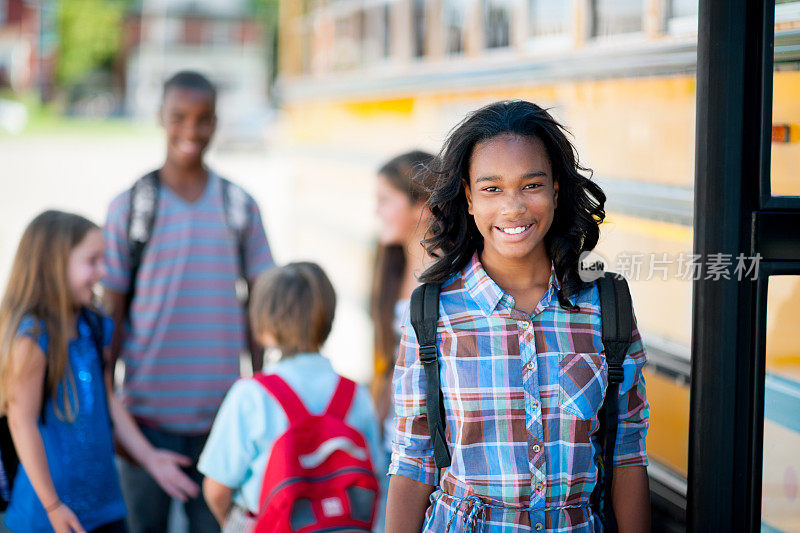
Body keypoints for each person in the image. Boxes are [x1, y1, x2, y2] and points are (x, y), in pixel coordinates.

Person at [385, 101, 650, 532]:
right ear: (468, 197)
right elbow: (413, 458)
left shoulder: (606, 307)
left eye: (531, 185)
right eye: (492, 189)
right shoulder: (433, 313)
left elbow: (627, 453)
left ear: (557, 190)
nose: (514, 208)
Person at [102, 71, 273, 533]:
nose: (191, 131)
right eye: (179, 117)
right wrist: (107, 399)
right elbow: (111, 314)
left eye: (203, 119)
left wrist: (260, 390)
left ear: (216, 122)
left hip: (223, 418)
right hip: (144, 419)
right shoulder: (131, 206)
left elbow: (261, 309)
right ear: (161, 116)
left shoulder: (240, 206)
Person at [0, 210, 198, 533]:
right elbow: (22, 422)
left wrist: (149, 457)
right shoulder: (32, 339)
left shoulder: (93, 325)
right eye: (92, 261)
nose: (103, 272)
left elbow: (108, 401)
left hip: (106, 506)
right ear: (52, 265)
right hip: (46, 514)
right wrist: (53, 505)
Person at [198, 262, 382, 531]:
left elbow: (216, 488)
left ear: (265, 328)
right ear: (327, 319)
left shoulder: (251, 395)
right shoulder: (356, 395)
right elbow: (374, 474)